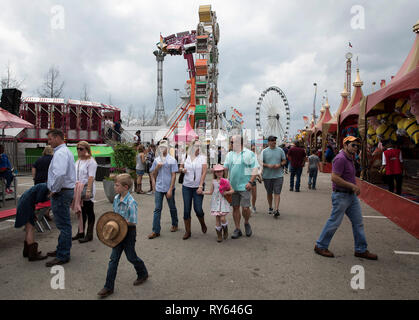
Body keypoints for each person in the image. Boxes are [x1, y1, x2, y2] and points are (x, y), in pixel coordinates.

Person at [314, 136, 378, 260]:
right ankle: (320, 245)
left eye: (357, 146)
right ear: (345, 145)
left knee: (358, 222)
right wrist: (352, 186)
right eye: (353, 145)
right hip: (341, 195)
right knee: (334, 222)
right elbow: (334, 177)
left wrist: (352, 188)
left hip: (350, 196)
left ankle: (361, 249)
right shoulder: (340, 159)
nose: (355, 148)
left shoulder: (350, 158)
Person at [97, 174, 149, 298]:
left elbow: (133, 221)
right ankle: (108, 287)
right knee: (113, 259)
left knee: (131, 257)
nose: (115, 187)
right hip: (117, 233)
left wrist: (120, 222)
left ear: (125, 187)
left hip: (129, 232)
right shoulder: (116, 198)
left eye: (117, 185)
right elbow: (113, 215)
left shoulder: (131, 202)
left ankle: (143, 273)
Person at [45, 129, 76, 267]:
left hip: (61, 192)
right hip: (64, 191)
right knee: (64, 224)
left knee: (63, 225)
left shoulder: (61, 153)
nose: (49, 142)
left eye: (50, 139)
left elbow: (59, 174)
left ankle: (63, 254)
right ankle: (61, 250)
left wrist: (54, 190)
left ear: (57, 138)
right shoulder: (64, 151)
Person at [223, 135, 259, 239]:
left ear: (239, 143)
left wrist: (251, 182)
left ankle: (246, 222)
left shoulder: (249, 154)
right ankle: (237, 228)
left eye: (232, 142)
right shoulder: (229, 154)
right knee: (235, 207)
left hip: (245, 186)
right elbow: (225, 168)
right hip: (233, 187)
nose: (231, 144)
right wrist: (218, 171)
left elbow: (255, 169)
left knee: (246, 208)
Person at [147, 140, 179, 239]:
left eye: (164, 147)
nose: (162, 149)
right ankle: (155, 230)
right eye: (160, 147)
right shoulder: (156, 160)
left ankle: (175, 223)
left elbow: (174, 175)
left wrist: (170, 189)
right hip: (159, 187)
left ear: (167, 148)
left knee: (172, 207)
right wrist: (157, 167)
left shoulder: (172, 160)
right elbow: (152, 173)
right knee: (157, 209)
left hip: (169, 187)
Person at [179, 139, 208, 240]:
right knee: (186, 210)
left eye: (199, 146)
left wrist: (200, 185)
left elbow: (204, 172)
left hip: (197, 187)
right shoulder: (185, 156)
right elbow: (180, 167)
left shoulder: (203, 157)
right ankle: (188, 231)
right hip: (186, 186)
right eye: (196, 146)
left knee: (198, 209)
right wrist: (182, 169)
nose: (198, 148)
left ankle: (203, 224)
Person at [14, 183, 50, 261]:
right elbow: (38, 199)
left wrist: (33, 213)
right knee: (31, 228)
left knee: (28, 228)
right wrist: (49, 197)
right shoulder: (44, 187)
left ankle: (27, 251)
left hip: (25, 203)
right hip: (26, 205)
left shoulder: (44, 186)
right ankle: (33, 254)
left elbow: (34, 199)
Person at [71, 141, 98, 243]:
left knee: (88, 211)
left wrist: (89, 190)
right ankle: (80, 232)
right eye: (77, 148)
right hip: (78, 188)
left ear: (87, 149)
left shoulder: (91, 161)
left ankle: (89, 234)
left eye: (81, 149)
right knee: (81, 211)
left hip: (87, 187)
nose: (78, 150)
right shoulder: (78, 161)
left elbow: (91, 176)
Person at [204, 164, 233, 242]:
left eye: (220, 171)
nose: (219, 173)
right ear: (214, 173)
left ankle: (225, 230)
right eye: (217, 172)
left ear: (223, 172)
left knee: (223, 218)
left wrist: (226, 192)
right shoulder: (214, 182)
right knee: (217, 218)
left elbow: (232, 190)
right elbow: (210, 192)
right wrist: (202, 192)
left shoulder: (226, 181)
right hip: (216, 202)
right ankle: (219, 235)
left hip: (223, 202)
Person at [262, 136, 287, 217]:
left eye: (275, 141)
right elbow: (260, 162)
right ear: (268, 142)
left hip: (278, 175)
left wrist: (279, 164)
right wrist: (267, 165)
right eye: (272, 141)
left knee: (277, 192)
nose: (274, 142)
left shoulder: (280, 150)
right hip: (267, 176)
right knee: (269, 193)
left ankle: (276, 209)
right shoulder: (264, 151)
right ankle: (270, 207)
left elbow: (284, 160)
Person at [250, 144, 263, 214]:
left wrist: (259, 176)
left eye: (254, 149)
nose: (253, 150)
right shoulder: (247, 156)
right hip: (247, 177)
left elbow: (258, 168)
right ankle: (247, 207)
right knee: (247, 194)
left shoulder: (257, 157)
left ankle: (253, 206)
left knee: (254, 195)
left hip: (254, 177)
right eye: (252, 149)